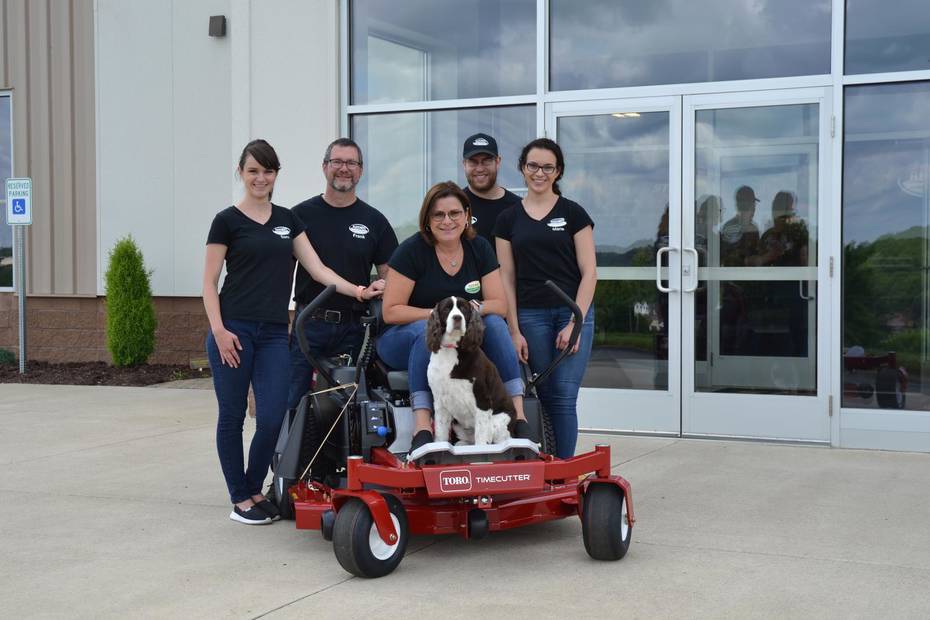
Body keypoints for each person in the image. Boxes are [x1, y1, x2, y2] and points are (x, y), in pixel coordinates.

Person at [203, 139, 382, 525]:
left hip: (271, 334)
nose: (260, 178)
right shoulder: (226, 221)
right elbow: (208, 282)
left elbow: (319, 270)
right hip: (232, 330)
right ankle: (241, 497)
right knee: (232, 416)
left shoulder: (288, 220)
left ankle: (254, 488)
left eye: (267, 171)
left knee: (272, 417)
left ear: (275, 175)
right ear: (241, 173)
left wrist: (359, 290)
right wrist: (218, 331)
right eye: (253, 171)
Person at [377, 180, 532, 452]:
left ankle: (518, 417)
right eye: (439, 214)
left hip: (460, 342)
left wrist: (474, 310)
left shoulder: (479, 248)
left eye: (454, 213)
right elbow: (391, 311)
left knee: (495, 324)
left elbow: (499, 304)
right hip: (403, 338)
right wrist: (437, 317)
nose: (447, 221)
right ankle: (422, 425)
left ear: (466, 216)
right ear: (427, 219)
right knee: (424, 331)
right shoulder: (412, 251)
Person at [494, 138, 597, 459]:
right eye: (533, 166)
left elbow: (590, 271)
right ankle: (542, 465)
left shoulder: (573, 213)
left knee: (564, 397)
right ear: (523, 170)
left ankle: (562, 471)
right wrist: (513, 329)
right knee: (540, 394)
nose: (540, 173)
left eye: (548, 167)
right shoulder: (507, 219)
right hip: (530, 316)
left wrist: (575, 324)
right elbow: (505, 279)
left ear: (558, 172)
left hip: (572, 314)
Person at [287, 138, 397, 410]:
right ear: (325, 167)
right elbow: (278, 275)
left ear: (361, 171)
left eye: (351, 163)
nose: (344, 168)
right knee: (291, 403)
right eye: (337, 162)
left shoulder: (375, 221)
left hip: (355, 330)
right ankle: (286, 453)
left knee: (350, 408)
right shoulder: (299, 216)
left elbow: (392, 277)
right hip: (308, 325)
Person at [461, 133, 522, 245]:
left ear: (498, 162)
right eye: (473, 162)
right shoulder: (456, 205)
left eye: (486, 161)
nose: (479, 168)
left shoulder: (518, 207)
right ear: (464, 164)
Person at [719, 185, 761, 267]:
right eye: (753, 204)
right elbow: (730, 258)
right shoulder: (730, 227)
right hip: (735, 277)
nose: (754, 207)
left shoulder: (753, 228)